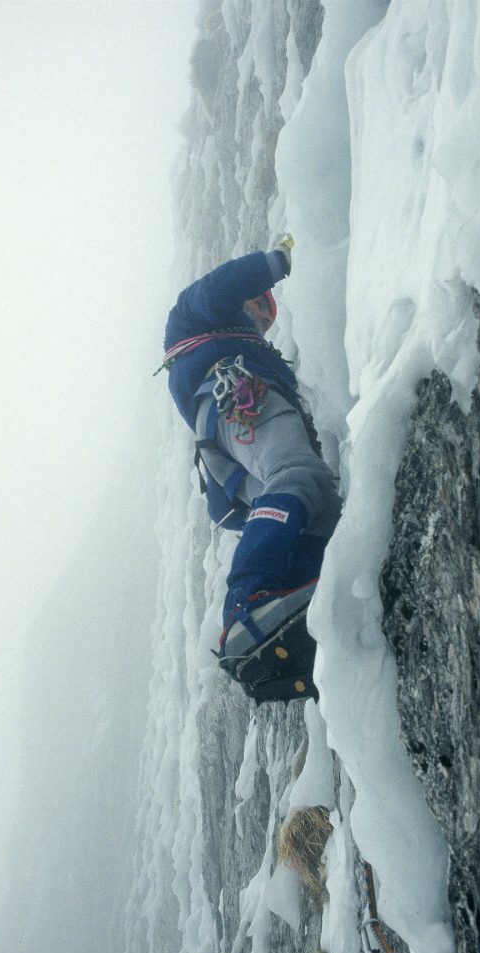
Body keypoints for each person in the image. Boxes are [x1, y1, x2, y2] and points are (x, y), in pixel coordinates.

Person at [159, 239, 341, 669]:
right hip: (238, 397)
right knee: (297, 475)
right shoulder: (197, 313)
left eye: (269, 313)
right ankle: (248, 603)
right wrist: (277, 261)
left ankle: (299, 599)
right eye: (259, 303)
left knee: (319, 507)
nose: (262, 315)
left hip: (229, 429)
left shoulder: (236, 344)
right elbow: (221, 286)